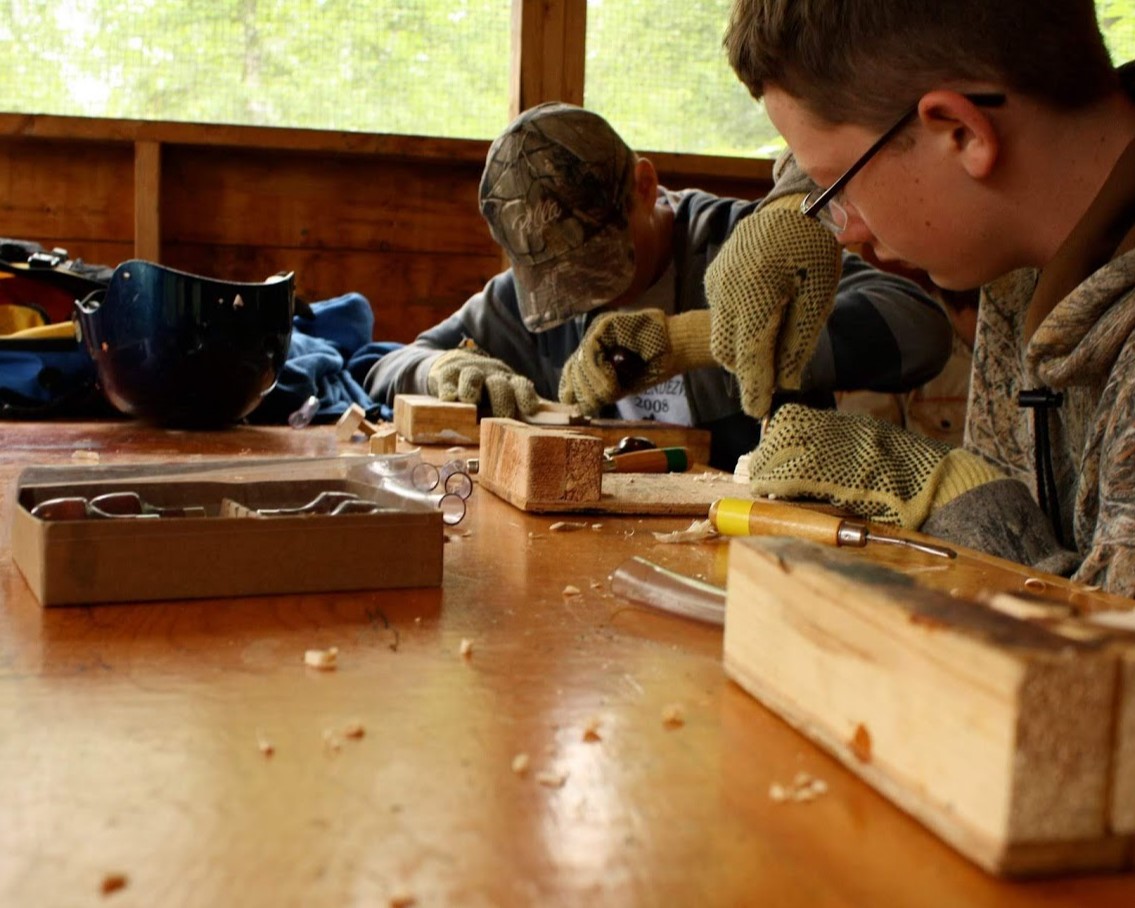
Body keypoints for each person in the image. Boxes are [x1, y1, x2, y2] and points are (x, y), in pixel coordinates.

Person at [718, 0, 1135, 595]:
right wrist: (792, 197)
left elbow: (1107, 665)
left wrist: (952, 496)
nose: (847, 230)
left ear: (961, 132)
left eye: (834, 185)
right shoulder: (1028, 243)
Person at [364, 101, 952, 471]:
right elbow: (388, 366)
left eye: (598, 261)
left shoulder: (741, 245)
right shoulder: (524, 298)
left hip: (752, 536)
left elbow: (919, 328)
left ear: (645, 187)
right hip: (585, 542)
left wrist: (697, 343)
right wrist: (439, 374)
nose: (589, 295)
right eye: (563, 279)